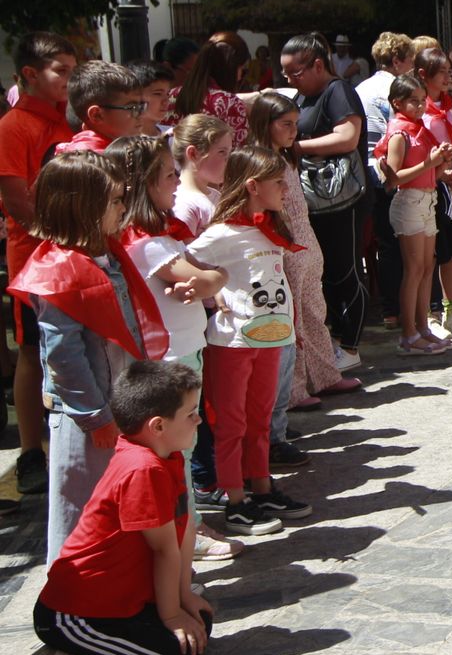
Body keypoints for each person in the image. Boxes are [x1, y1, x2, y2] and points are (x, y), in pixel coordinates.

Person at [10, 361, 212, 655]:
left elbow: (183, 528)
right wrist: (172, 615)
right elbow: (163, 551)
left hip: (119, 601)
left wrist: (183, 598)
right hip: (73, 613)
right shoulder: (142, 469)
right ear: (158, 426)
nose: (198, 419)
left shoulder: (167, 454)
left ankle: (101, 649)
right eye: (190, 413)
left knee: (200, 624)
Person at [11, 153, 163, 563]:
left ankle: (124, 584)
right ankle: (78, 594)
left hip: (120, 402)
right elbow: (64, 356)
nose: (122, 208)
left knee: (123, 501)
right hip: (88, 417)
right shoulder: (58, 268)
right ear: (84, 206)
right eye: (115, 200)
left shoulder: (108, 254)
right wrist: (95, 415)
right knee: (85, 508)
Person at [106, 136, 241, 563]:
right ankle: (187, 531)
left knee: (182, 446)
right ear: (144, 185)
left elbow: (206, 279)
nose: (175, 185)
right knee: (177, 451)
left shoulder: (159, 238)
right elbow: (204, 279)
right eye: (168, 176)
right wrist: (214, 276)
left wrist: (210, 277)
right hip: (169, 361)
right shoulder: (149, 243)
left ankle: (188, 526)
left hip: (182, 353)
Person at [187, 147, 310, 535]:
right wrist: (212, 294)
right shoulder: (223, 233)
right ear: (253, 186)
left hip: (270, 338)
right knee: (231, 423)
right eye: (278, 183)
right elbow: (182, 258)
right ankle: (235, 501)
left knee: (260, 417)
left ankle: (260, 487)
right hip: (233, 341)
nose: (285, 191)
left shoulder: (268, 228)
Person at [247, 94, 363, 451]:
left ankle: (324, 374)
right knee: (292, 319)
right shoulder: (259, 161)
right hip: (285, 244)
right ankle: (294, 389)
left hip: (305, 239)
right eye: (285, 124)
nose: (292, 131)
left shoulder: (287, 156)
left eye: (295, 124)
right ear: (265, 123)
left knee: (315, 309)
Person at [0, 32, 78, 496]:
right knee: (32, 351)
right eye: (61, 71)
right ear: (30, 74)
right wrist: (63, 235)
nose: (69, 79)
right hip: (33, 259)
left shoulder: (62, 121)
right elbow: (15, 197)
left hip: (71, 254)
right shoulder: (13, 126)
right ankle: (32, 450)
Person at [281, 34, 370, 368]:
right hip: (315, 200)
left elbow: (348, 136)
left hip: (343, 199)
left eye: (295, 72)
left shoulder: (339, 91)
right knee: (325, 273)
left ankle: (350, 346)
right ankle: (334, 342)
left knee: (345, 271)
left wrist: (298, 148)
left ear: (317, 65)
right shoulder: (304, 96)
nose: (289, 80)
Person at [382, 74, 451, 354]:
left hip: (426, 199)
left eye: (423, 101)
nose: (421, 107)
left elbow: (431, 171)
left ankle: (422, 327)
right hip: (409, 201)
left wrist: (441, 162)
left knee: (426, 267)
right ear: (397, 103)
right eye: (414, 102)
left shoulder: (419, 129)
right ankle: (408, 333)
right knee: (414, 270)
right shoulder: (399, 133)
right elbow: (393, 179)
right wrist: (429, 163)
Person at [355, 31, 417, 327]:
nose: (413, 68)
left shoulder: (361, 88)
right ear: (397, 61)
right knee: (404, 246)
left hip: (366, 174)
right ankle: (404, 310)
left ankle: (390, 309)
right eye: (410, 61)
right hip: (395, 174)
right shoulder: (399, 90)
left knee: (384, 245)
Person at [416, 48, 452, 343]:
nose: (449, 77)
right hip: (427, 186)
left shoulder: (451, 105)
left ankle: (451, 311)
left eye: (450, 70)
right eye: (443, 72)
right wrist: (438, 170)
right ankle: (426, 314)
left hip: (450, 186)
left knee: (451, 251)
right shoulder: (418, 107)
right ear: (424, 75)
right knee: (430, 254)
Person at [173, 40, 251, 146]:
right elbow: (237, 151)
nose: (240, 76)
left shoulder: (172, 94)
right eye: (241, 69)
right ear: (230, 69)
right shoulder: (231, 103)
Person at [56, 60, 141, 155]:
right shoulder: (94, 163)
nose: (141, 114)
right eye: (132, 107)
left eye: (141, 106)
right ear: (97, 115)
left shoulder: (115, 150)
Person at [126, 61, 175, 137]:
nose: (166, 101)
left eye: (168, 94)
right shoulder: (122, 142)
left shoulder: (174, 136)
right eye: (158, 93)